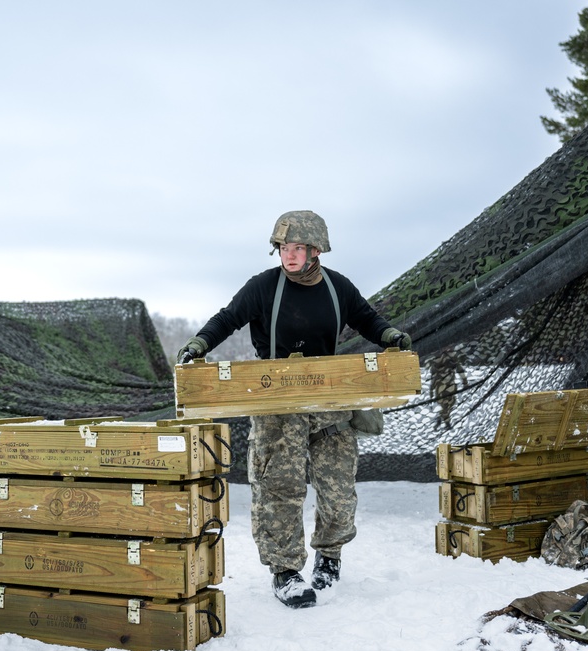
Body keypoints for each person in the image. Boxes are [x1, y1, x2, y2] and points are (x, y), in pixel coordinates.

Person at [176, 210, 411, 609]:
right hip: (277, 404)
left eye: (297, 248)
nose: (289, 255)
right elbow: (228, 318)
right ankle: (285, 571)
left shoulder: (339, 288)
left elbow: (367, 319)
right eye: (283, 248)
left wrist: (389, 335)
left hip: (330, 403)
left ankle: (330, 557)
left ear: (316, 249)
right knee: (279, 489)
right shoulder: (262, 287)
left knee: (338, 491)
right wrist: (199, 344)